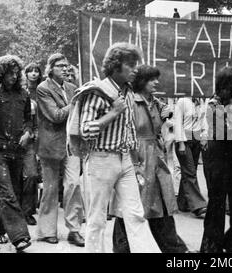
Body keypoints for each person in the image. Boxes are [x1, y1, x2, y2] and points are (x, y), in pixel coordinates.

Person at [68, 42, 159, 253]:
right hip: (100, 159)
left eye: (136, 64)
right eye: (130, 64)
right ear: (115, 66)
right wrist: (112, 113)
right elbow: (86, 130)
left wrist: (135, 162)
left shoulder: (127, 91)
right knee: (97, 218)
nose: (135, 69)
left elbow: (129, 129)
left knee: (136, 215)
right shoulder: (96, 92)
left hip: (124, 159)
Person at [112, 65, 189, 253]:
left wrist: (165, 117)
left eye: (156, 78)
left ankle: (173, 249)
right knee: (131, 207)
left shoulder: (155, 102)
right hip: (136, 156)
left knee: (160, 206)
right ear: (141, 81)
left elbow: (160, 123)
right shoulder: (130, 100)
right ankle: (122, 249)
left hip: (155, 156)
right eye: (151, 79)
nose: (156, 82)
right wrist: (134, 162)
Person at [199, 66, 232, 253]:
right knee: (217, 204)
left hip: (230, 156)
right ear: (228, 85)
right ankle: (211, 248)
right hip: (216, 157)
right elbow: (223, 132)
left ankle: (231, 241)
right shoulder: (213, 104)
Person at [36, 53, 85, 246]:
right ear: (50, 69)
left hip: (71, 144)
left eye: (66, 66)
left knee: (74, 185)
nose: (65, 69)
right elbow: (55, 115)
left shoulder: (73, 88)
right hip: (50, 145)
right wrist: (75, 102)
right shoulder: (43, 88)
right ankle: (47, 231)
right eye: (60, 66)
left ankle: (74, 230)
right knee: (50, 189)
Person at [0, 55, 32, 252]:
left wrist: (28, 132)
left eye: (16, 73)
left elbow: (29, 120)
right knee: (7, 193)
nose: (13, 77)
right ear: (1, 73)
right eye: (9, 73)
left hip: (17, 151)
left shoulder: (24, 94)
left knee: (11, 194)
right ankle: (20, 237)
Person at [174, 94, 208, 218]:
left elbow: (203, 120)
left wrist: (204, 136)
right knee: (190, 172)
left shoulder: (200, 100)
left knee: (188, 172)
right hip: (184, 141)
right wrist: (181, 143)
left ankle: (183, 203)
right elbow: (177, 123)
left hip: (196, 140)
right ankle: (198, 206)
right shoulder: (182, 101)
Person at [22, 62, 43, 225]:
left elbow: (34, 122)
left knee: (32, 175)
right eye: (31, 71)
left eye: (37, 71)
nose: (34, 74)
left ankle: (28, 211)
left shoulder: (38, 94)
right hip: (7, 142)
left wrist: (34, 134)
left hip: (30, 141)